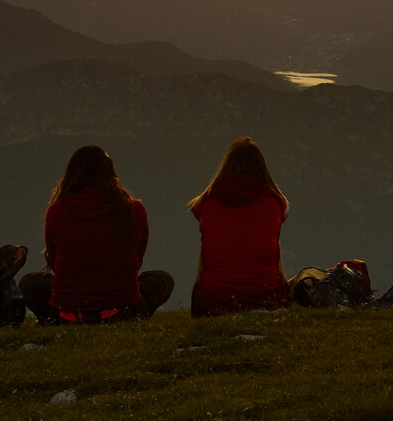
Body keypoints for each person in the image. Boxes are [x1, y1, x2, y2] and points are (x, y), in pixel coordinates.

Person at [20, 145, 173, 324]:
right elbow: (137, 260)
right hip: (123, 307)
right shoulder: (134, 209)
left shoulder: (57, 211)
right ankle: (123, 315)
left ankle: (60, 318)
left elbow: (55, 263)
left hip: (69, 310)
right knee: (161, 280)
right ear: (110, 173)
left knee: (30, 283)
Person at [189, 137, 290, 316]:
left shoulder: (207, 202)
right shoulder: (274, 201)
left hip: (213, 302)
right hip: (267, 298)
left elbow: (204, 259)